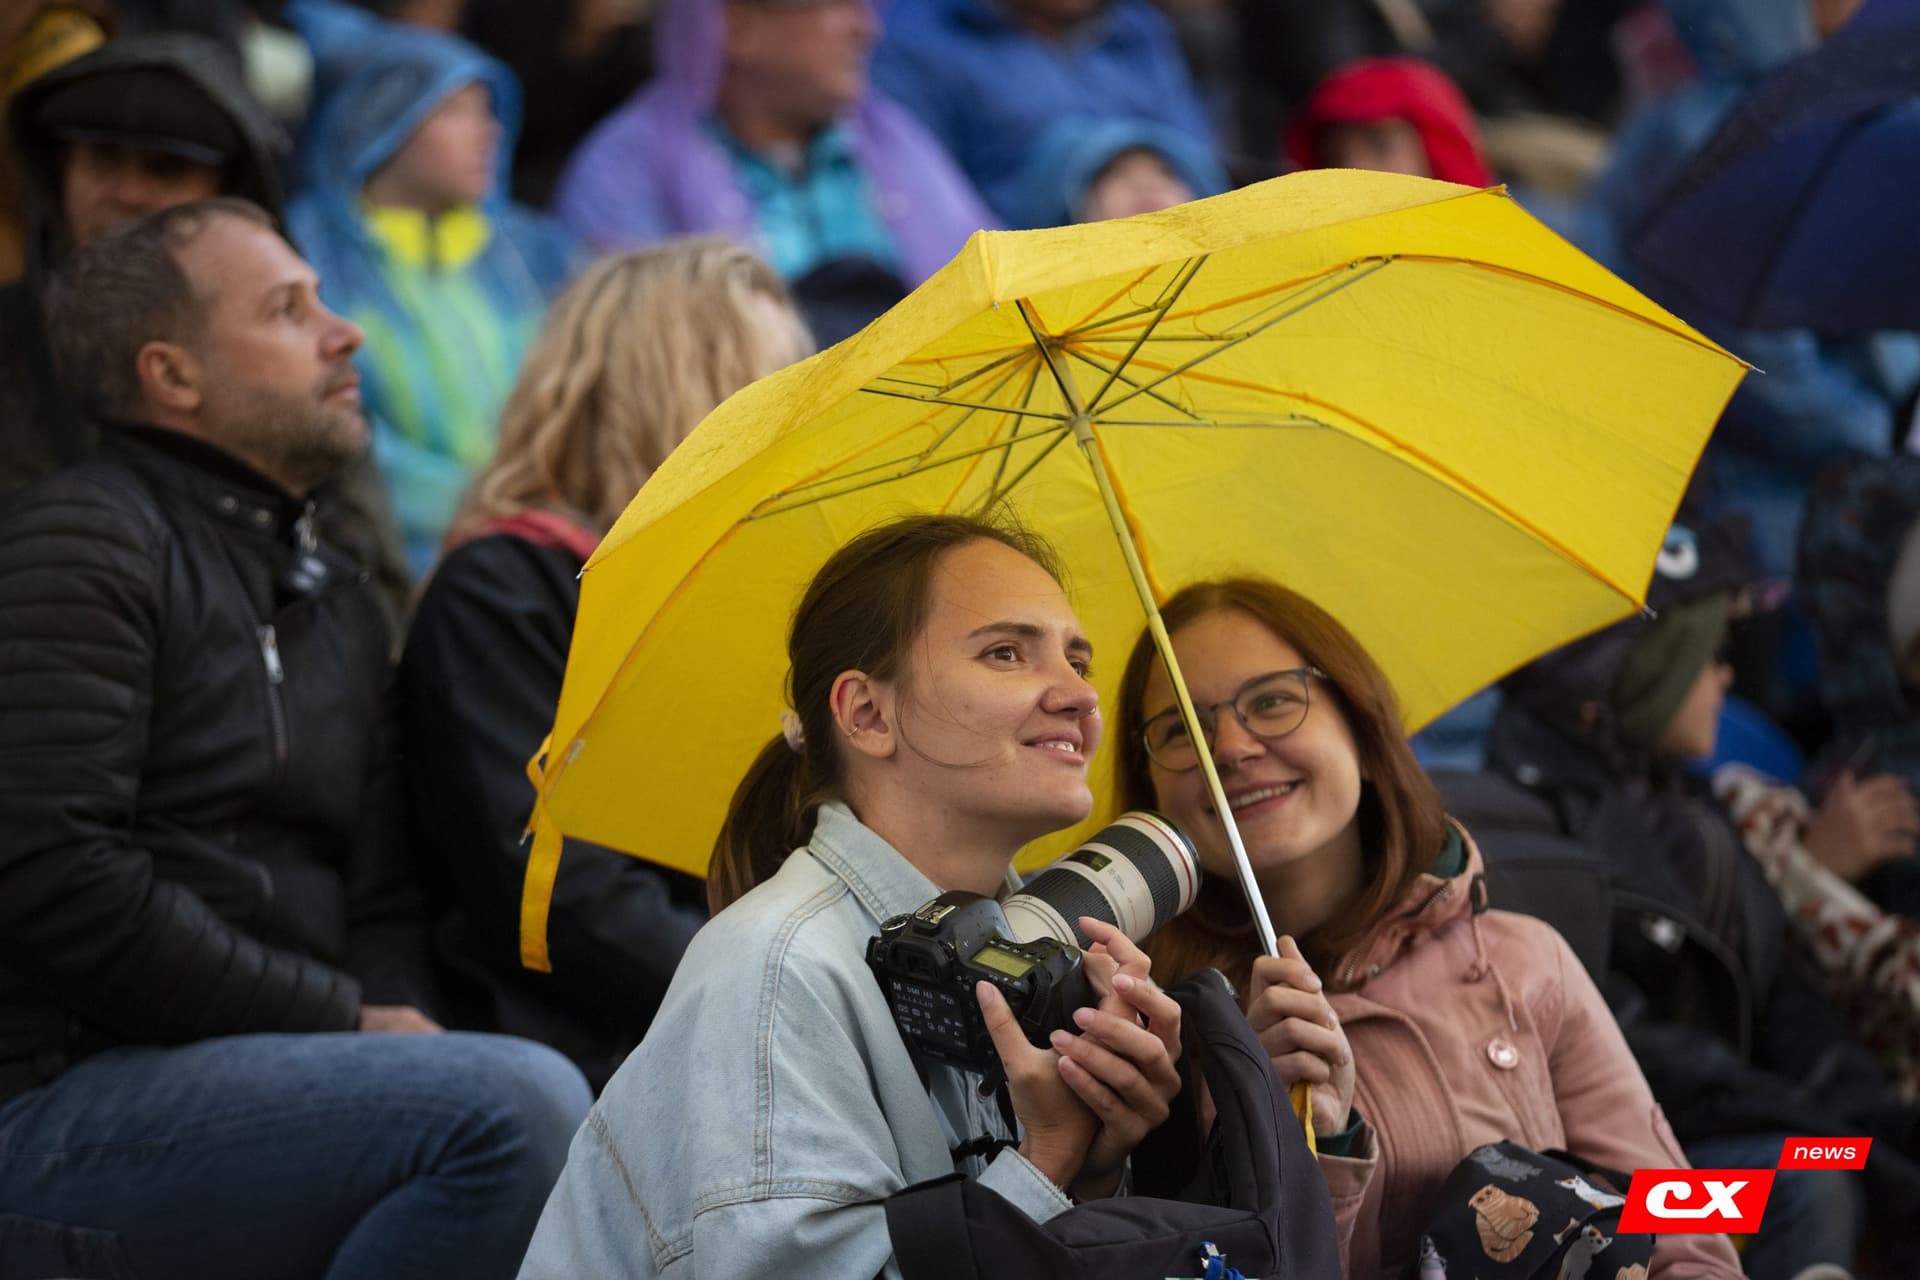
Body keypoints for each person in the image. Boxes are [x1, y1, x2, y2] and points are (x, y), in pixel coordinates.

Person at [0, 198, 590, 1280]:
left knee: (553, 1092)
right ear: (172, 376)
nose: (346, 330)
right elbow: (55, 877)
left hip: (272, 1082)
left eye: (325, 297)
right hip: (63, 1098)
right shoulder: (81, 541)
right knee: (516, 1105)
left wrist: (395, 1025)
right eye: (288, 309)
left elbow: (378, 900)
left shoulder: (338, 595)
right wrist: (342, 1021)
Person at [518, 514, 1182, 1277]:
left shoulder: (1037, 955)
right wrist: (1046, 1161)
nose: (1079, 697)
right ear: (867, 714)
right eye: (1007, 653)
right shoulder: (776, 967)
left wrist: (1098, 1157)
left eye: (1078, 660)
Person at [1109, 575, 1743, 1278]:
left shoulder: (1527, 957)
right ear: (1150, 794)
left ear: (1366, 733)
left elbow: (1688, 1221)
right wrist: (1299, 1137)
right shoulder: (1157, 1043)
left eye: (1273, 701)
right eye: (1180, 729)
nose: (1228, 748)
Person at [399, 239, 813, 1090]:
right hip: (604, 1058)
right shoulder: (505, 589)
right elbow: (560, 893)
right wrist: (798, 1001)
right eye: (768, 380)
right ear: (671, 391)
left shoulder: (751, 596)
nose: (797, 415)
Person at [1486, 518, 1920, 1278]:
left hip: (1747, 1132)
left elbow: (1789, 1003)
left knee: (1860, 1165)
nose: (1726, 678)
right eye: (1709, 654)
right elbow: (1649, 1063)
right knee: (1810, 1184)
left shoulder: (1687, 812)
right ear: (1646, 667)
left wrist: (1883, 1130)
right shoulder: (1527, 835)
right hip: (1603, 1193)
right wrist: (1841, 1141)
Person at [1, 27, 412, 623]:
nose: (127, 191)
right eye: (101, 158)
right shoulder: (11, 341)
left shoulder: (299, 354)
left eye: (165, 167)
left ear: (229, 192)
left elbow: (376, 588)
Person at [289, 1, 580, 577]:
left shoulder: (534, 251)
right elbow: (334, 436)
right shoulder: (307, 255)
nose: (489, 132)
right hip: (383, 567)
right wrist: (491, 506)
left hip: (545, 548)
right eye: (456, 110)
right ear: (381, 121)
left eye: (490, 110)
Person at [551, 0, 989, 310]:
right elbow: (638, 373)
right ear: (740, 27)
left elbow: (992, 292)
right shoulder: (626, 169)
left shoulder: (891, 137)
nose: (866, 27)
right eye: (837, 5)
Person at [870, 0, 1226, 227]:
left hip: (1175, 272)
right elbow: (925, 218)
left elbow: (1198, 168)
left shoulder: (1139, 26)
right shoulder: (915, 41)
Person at [1283, 56, 1494, 186]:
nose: (1353, 166)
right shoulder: (1303, 253)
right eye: (1334, 156)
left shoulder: (1494, 249)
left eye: (1380, 148)